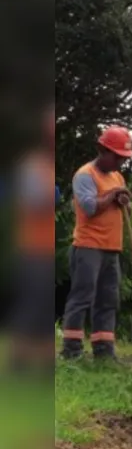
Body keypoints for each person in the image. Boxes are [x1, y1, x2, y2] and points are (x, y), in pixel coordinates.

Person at [59, 125, 132, 360]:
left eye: (123, 158)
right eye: (117, 156)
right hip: (88, 246)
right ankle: (71, 349)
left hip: (112, 248)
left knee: (108, 299)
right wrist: (113, 195)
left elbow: (125, 212)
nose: (120, 162)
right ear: (102, 150)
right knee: (83, 296)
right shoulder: (85, 175)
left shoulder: (117, 177)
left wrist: (125, 202)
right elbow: (90, 207)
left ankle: (104, 350)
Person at [10, 104, 57, 372]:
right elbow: (32, 200)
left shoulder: (47, 166)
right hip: (33, 248)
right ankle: (20, 361)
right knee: (30, 304)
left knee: (42, 306)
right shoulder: (33, 165)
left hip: (45, 248)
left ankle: (42, 363)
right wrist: (51, 195)